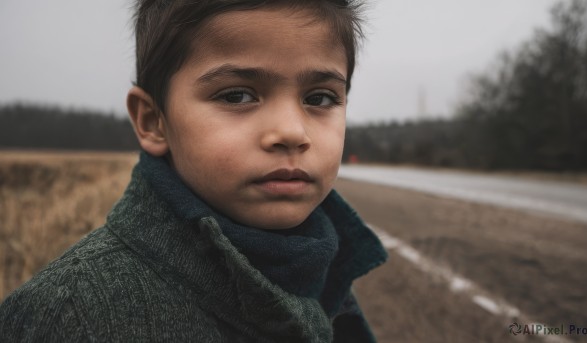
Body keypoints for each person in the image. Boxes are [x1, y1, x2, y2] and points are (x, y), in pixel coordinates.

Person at [0, 0, 387, 341]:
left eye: (319, 98)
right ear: (153, 121)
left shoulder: (319, 271)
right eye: (237, 95)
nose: (291, 132)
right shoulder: (69, 316)